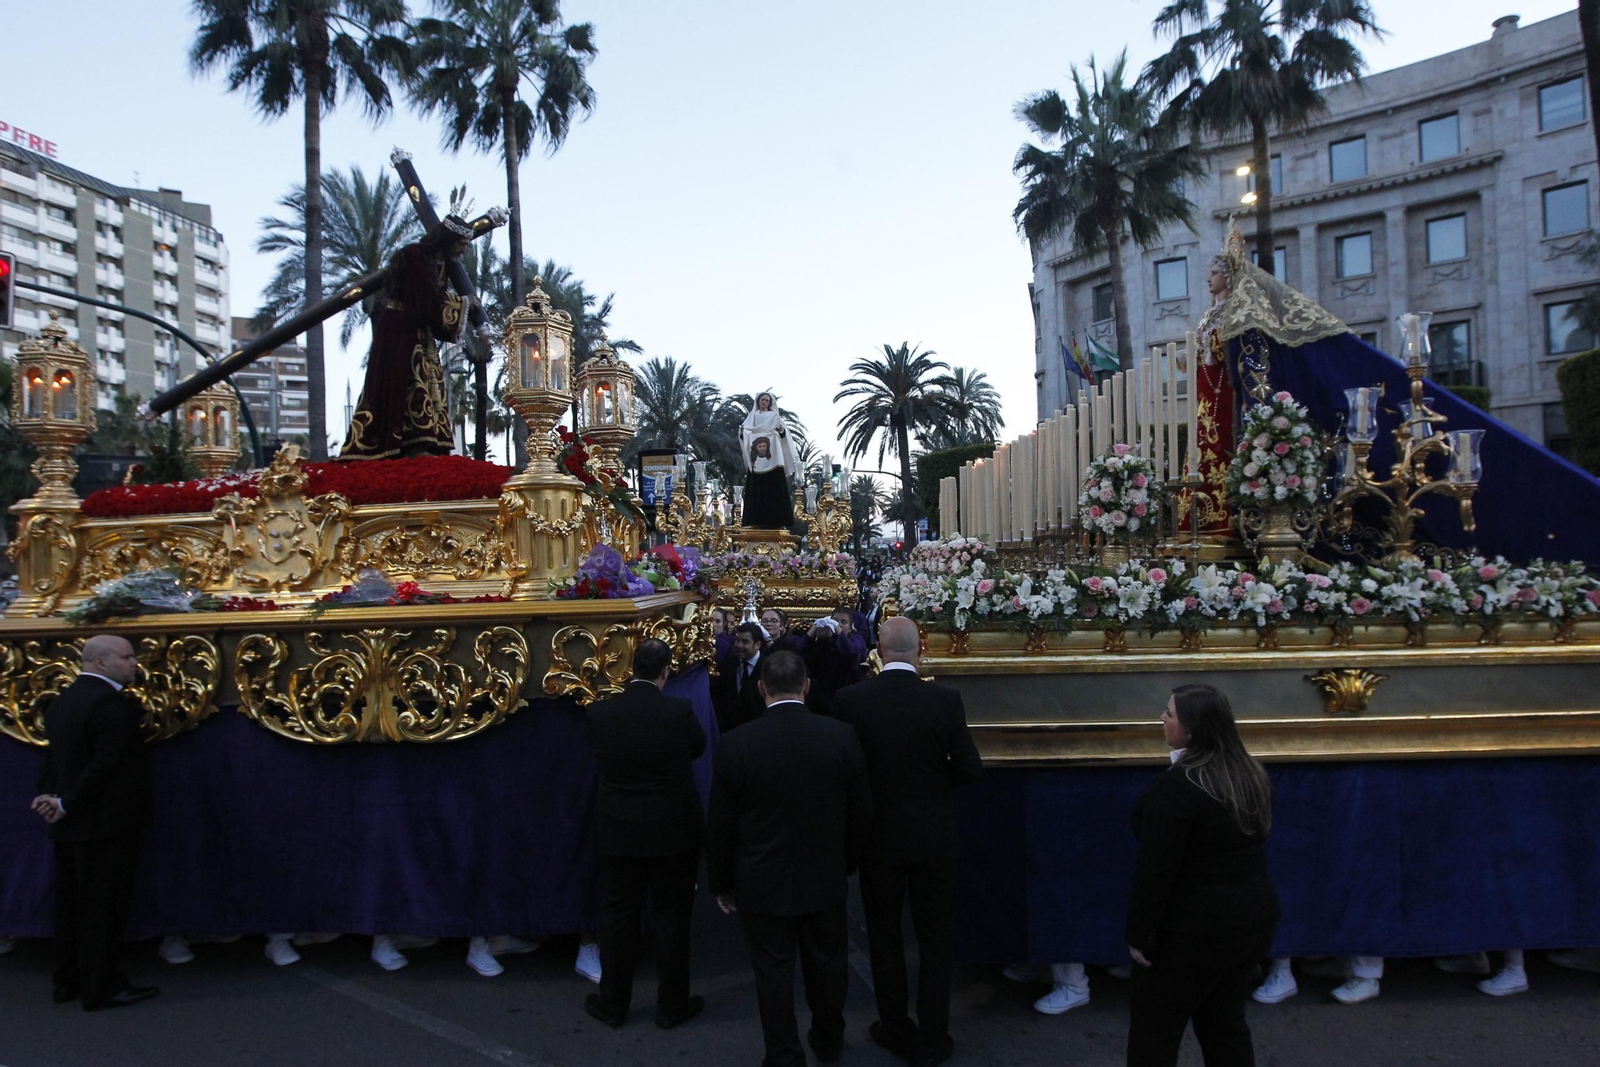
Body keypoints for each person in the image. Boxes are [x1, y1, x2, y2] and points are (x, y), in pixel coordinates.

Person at [706, 651, 872, 1067]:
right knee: (828, 964)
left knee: (773, 973)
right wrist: (848, 861)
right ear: (807, 685)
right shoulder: (840, 736)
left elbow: (721, 823)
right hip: (824, 873)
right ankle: (829, 1039)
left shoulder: (736, 744)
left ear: (762, 689)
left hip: (761, 878)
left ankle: (783, 1053)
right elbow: (860, 811)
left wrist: (722, 882)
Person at [833, 616, 983, 1067]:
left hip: (877, 839)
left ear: (878, 647)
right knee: (934, 939)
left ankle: (894, 1025)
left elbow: (845, 773)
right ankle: (935, 1035)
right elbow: (970, 770)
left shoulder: (850, 701)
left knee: (884, 935)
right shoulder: (945, 701)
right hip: (934, 837)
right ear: (922, 649)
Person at [1126, 684, 1278, 1067]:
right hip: (1249, 923)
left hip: (1191, 932)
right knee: (1225, 1026)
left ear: (1191, 729)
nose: (1162, 718)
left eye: (1170, 713)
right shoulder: (1249, 774)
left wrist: (1141, 935)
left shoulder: (1179, 787)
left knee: (1155, 1034)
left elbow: (1156, 870)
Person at [583, 638, 707, 1030]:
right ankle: (672, 1006)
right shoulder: (678, 710)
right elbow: (698, 749)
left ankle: (613, 1004)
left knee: (618, 918)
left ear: (631, 669)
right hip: (672, 830)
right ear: (666, 671)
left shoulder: (601, 714)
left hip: (619, 830)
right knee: (673, 917)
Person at [32, 635, 158, 1011]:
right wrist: (66, 802)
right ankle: (102, 987)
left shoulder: (63, 701)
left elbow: (56, 759)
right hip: (105, 824)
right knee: (103, 909)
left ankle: (67, 980)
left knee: (70, 906)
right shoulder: (112, 705)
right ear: (100, 663)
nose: (134, 662)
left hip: (69, 823)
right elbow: (106, 766)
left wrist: (51, 799)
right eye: (126, 656)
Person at [340, 215, 471, 459]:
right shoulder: (414, 257)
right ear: (448, 239)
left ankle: (426, 441)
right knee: (406, 381)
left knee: (427, 382)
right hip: (400, 329)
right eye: (461, 243)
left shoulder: (439, 264)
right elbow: (422, 301)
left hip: (419, 331)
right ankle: (406, 443)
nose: (463, 249)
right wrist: (462, 305)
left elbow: (431, 303)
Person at [738, 392, 797, 528]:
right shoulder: (751, 418)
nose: (764, 402)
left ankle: (777, 521)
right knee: (756, 491)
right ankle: (754, 521)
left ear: (770, 403)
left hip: (774, 460)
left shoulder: (774, 417)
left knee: (774, 489)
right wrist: (742, 434)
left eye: (767, 400)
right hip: (756, 463)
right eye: (762, 400)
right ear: (758, 401)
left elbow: (784, 435)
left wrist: (781, 432)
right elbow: (745, 433)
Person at [801, 609, 868, 716]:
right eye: (835, 621)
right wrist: (813, 629)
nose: (839, 624)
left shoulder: (856, 639)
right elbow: (801, 651)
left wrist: (837, 629)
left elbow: (852, 652)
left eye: (844, 622)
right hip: (820, 695)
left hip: (846, 691)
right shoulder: (823, 640)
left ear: (851, 628)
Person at [713, 621, 767, 734]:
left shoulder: (767, 668)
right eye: (737, 640)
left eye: (745, 642)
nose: (738, 645)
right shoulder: (729, 662)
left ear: (757, 644)